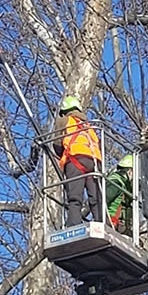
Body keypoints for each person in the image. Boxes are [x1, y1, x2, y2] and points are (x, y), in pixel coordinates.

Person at [52, 96, 103, 227]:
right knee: (96, 198)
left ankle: (73, 224)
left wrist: (62, 155)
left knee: (75, 197)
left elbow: (57, 144)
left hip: (75, 160)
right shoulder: (88, 127)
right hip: (94, 163)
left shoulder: (63, 120)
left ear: (65, 110)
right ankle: (101, 223)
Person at [105, 154, 135, 235]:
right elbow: (103, 200)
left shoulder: (125, 185)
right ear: (130, 171)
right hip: (112, 222)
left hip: (120, 225)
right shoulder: (116, 183)